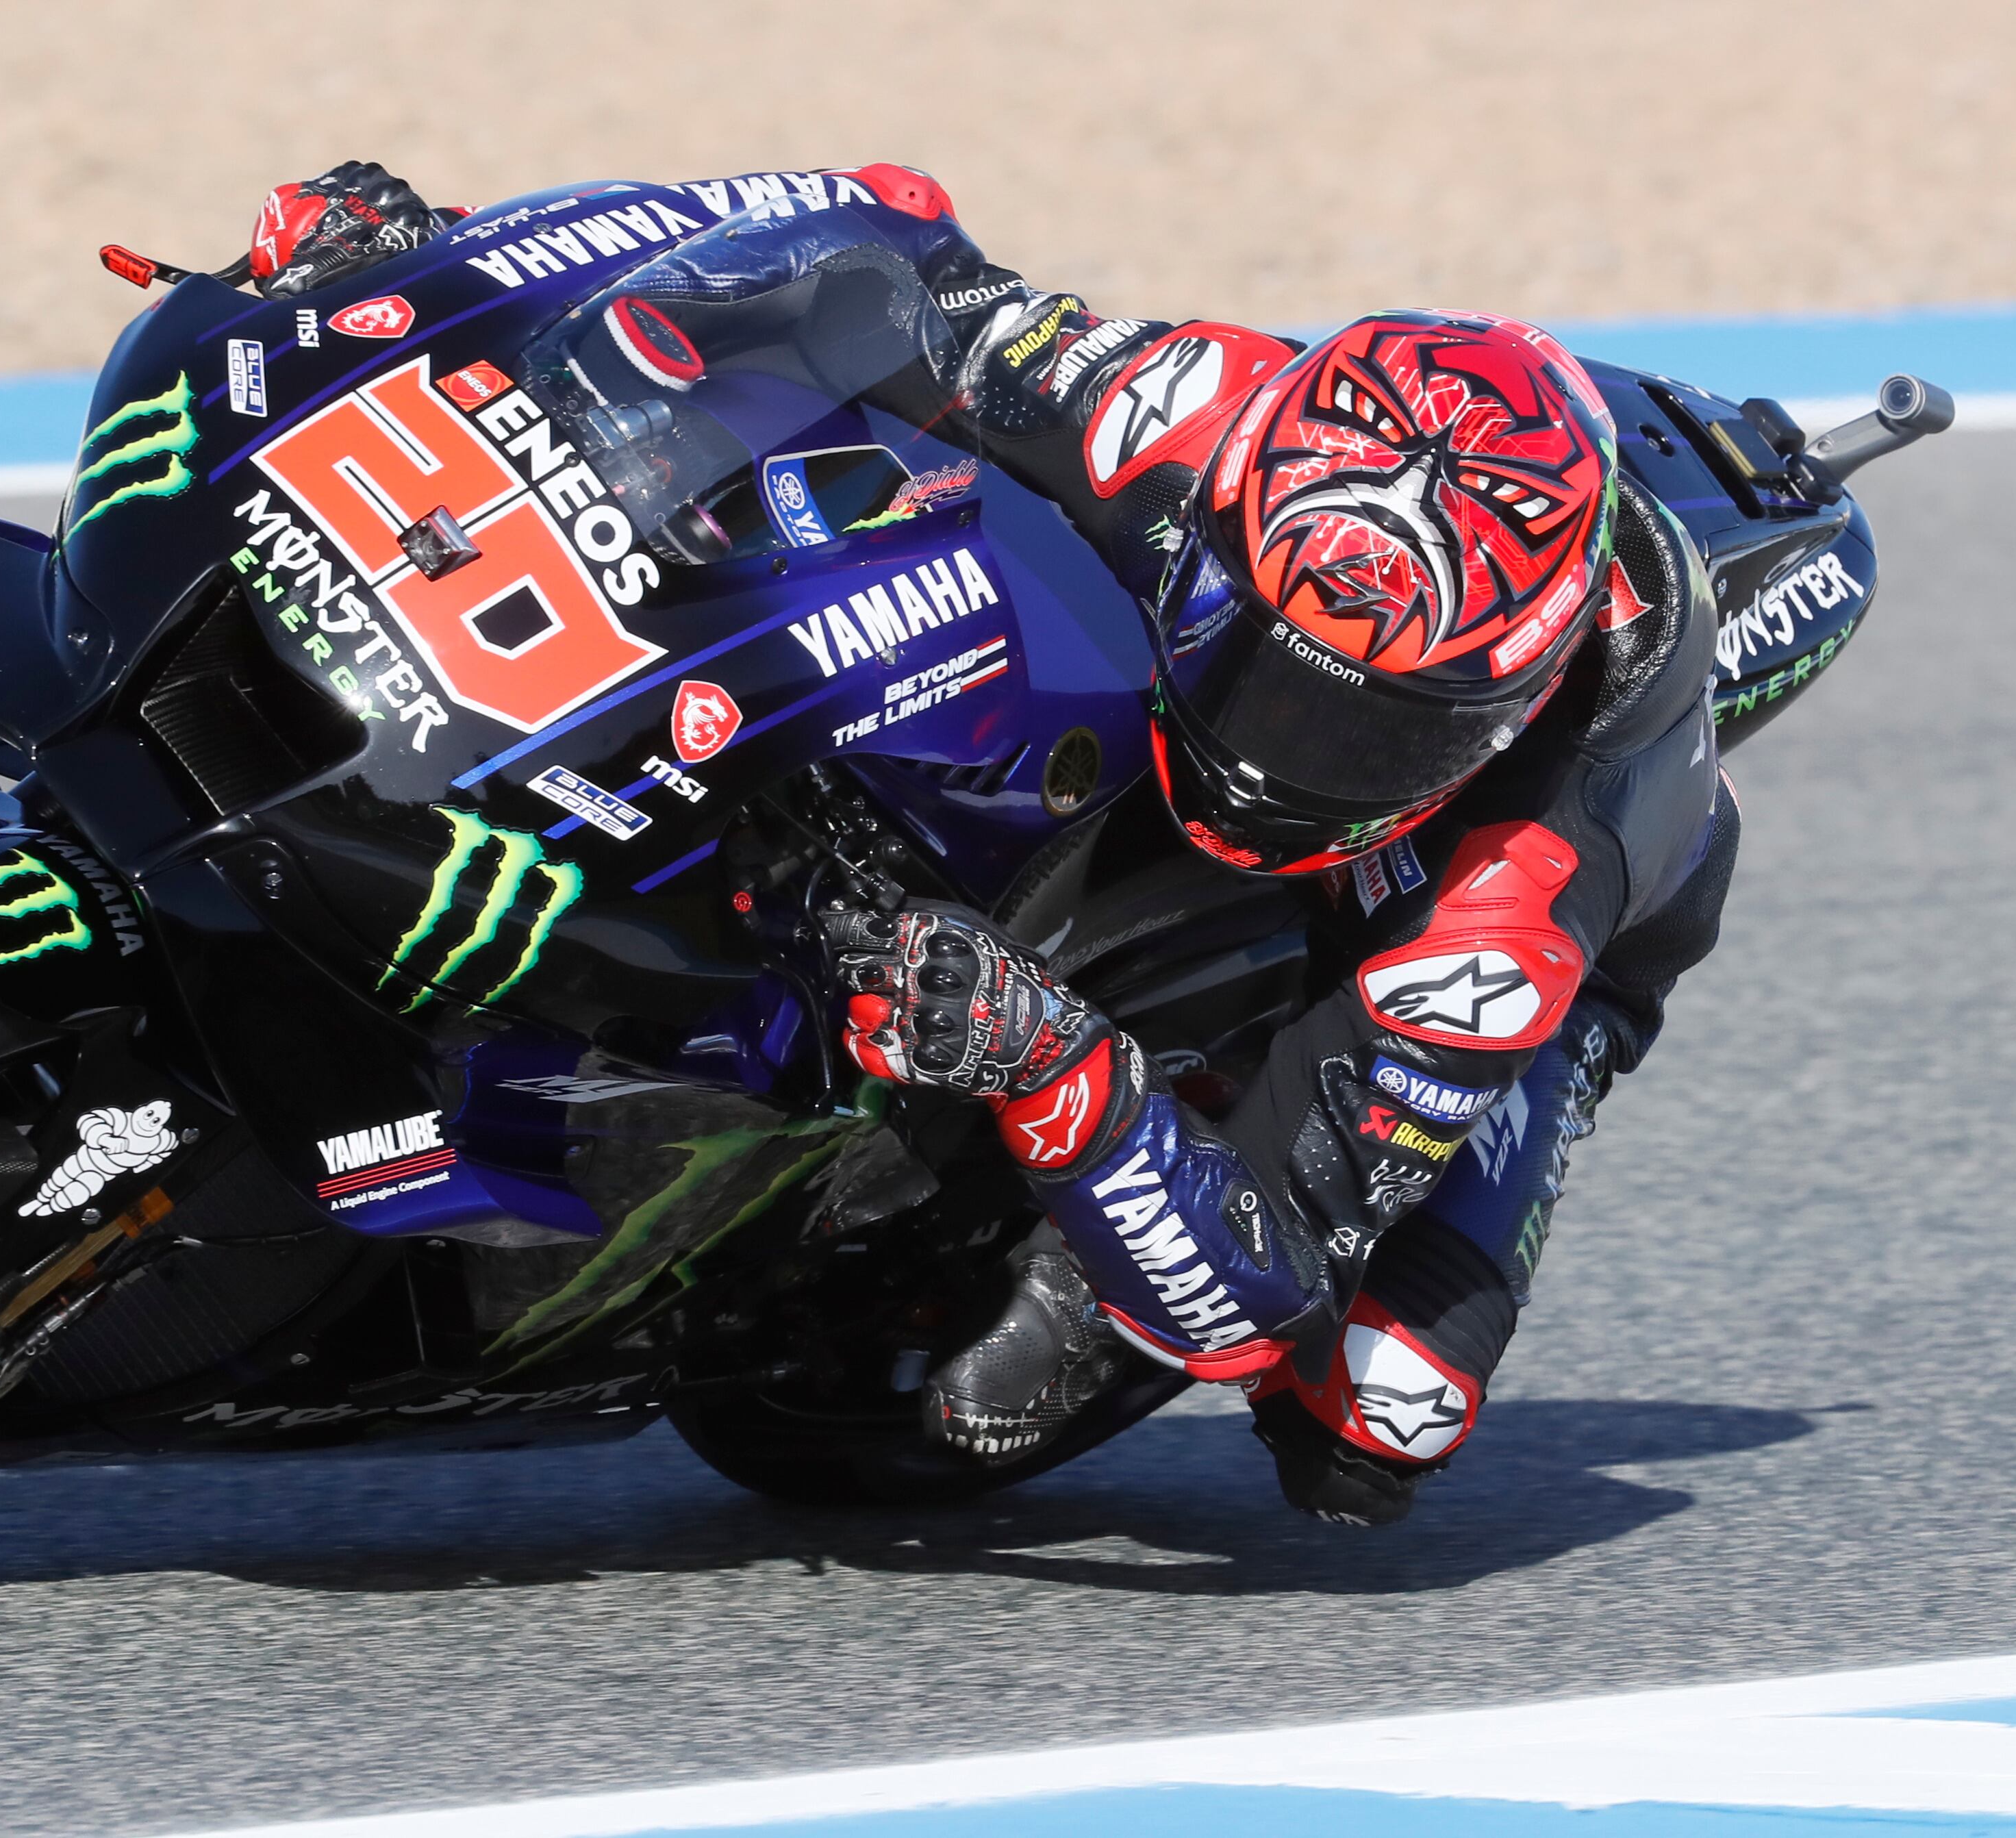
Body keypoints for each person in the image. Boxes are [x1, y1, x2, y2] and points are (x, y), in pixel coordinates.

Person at [244, 162, 1734, 1526]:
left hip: (1533, 906)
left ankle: (1307, 1103)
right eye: (1258, 661)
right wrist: (452, 265)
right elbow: (880, 238)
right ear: (1225, 510)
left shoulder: (1517, 892)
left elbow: (1254, 1297)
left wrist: (1055, 1068)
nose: (1286, 748)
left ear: (1495, 710)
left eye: (1369, 736)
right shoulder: (1178, 406)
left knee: (1378, 1417)